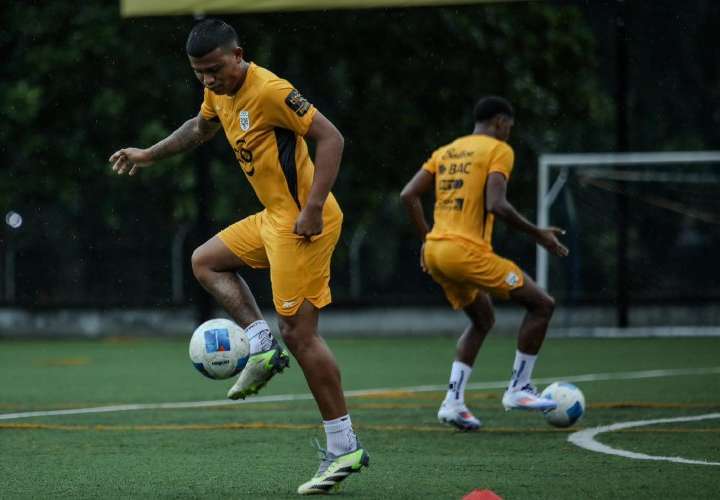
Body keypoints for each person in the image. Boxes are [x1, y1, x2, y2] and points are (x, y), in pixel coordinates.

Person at [109, 19, 368, 494]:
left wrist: (311, 210)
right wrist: (148, 154)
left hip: (301, 222)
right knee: (204, 260)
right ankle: (260, 344)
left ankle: (343, 445)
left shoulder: (271, 90)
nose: (208, 79)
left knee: (301, 333)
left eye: (214, 69)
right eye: (198, 73)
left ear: (237, 55)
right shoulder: (219, 92)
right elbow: (199, 127)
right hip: (274, 217)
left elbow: (332, 139)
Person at [400, 96, 569, 430]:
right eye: (509, 126)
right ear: (500, 122)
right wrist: (539, 234)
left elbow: (408, 195)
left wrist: (426, 239)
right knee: (541, 305)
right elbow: (497, 204)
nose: (509, 132)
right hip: (466, 253)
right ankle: (520, 387)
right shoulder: (498, 150)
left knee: (482, 319)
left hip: (436, 252)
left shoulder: (447, 151)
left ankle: (453, 402)